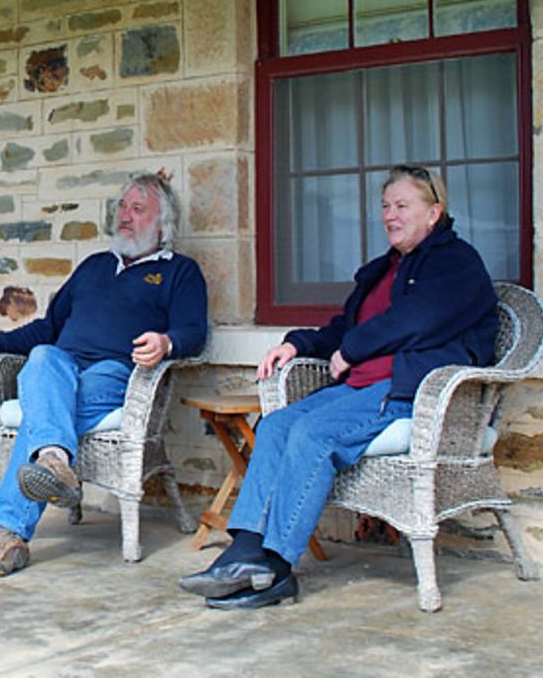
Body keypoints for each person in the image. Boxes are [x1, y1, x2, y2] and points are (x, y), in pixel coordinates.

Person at [178, 164, 497, 609]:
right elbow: (344, 326)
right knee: (274, 426)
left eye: (403, 205)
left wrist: (352, 349)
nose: (390, 215)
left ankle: (276, 570)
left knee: (313, 435)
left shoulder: (456, 263)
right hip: (360, 388)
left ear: (434, 212)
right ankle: (245, 550)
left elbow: (416, 320)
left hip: (407, 391)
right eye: (386, 206)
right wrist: (296, 344)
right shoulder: (384, 270)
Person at [0, 172, 209, 579]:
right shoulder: (93, 266)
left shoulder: (179, 272)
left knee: (43, 413)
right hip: (61, 369)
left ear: (162, 224)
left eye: (137, 209)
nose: (124, 216)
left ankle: (7, 534)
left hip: (115, 375)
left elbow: (194, 332)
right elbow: (49, 327)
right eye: (122, 207)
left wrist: (167, 342)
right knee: (42, 357)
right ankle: (55, 461)